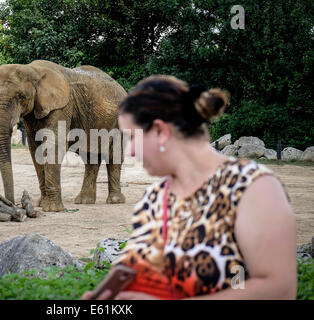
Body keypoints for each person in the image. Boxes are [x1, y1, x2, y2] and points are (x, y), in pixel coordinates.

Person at [82, 75, 297, 300]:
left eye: (131, 137)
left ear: (160, 131)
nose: (130, 151)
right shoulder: (155, 198)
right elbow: (140, 268)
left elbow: (277, 289)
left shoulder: (253, 189)